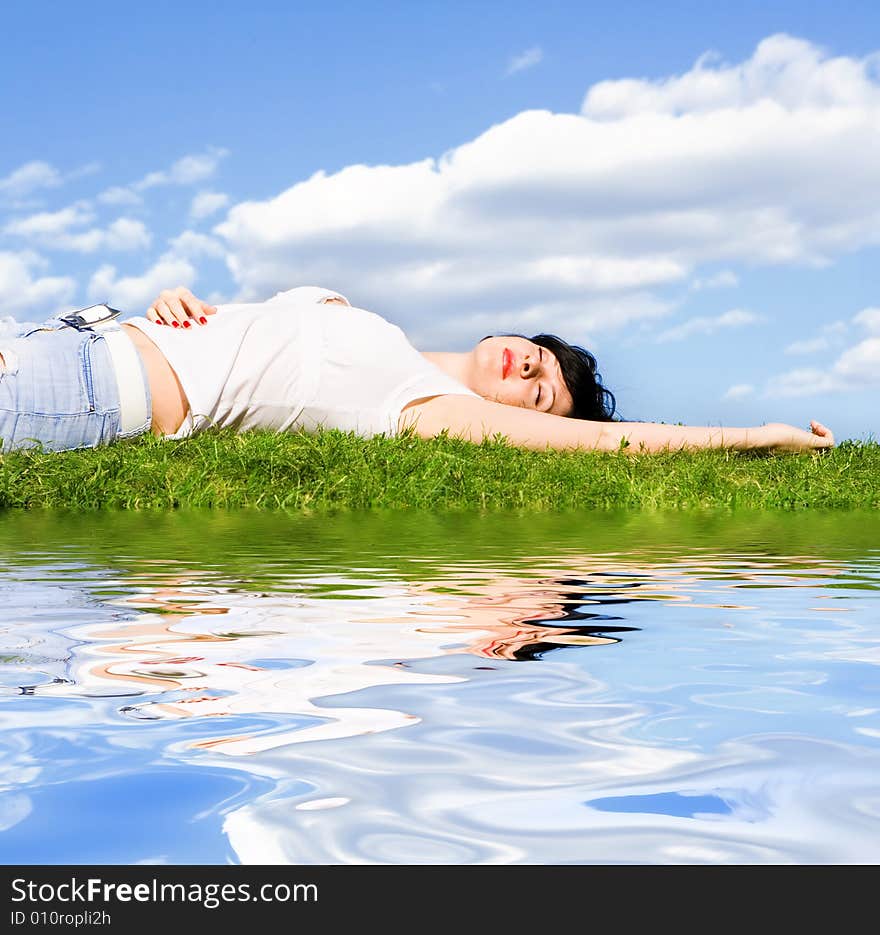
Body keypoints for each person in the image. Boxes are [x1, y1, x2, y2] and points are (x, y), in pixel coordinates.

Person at [0, 284, 834, 454]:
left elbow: (619, 446)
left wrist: (760, 436)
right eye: (538, 355)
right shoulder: (366, 318)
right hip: (74, 333)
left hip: (87, 395)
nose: (528, 366)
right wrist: (178, 297)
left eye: (538, 391)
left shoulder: (427, 407)